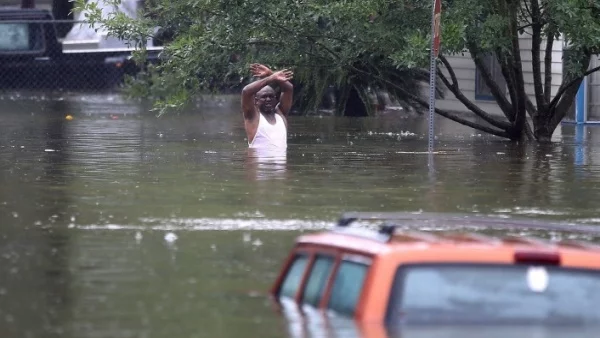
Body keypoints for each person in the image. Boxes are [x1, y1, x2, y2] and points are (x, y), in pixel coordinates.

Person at [241, 63, 294, 150]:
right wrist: (271, 78)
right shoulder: (252, 116)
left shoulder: (281, 114)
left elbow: (289, 88)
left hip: (280, 163)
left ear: (275, 99)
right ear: (256, 101)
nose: (268, 99)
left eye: (271, 96)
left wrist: (270, 73)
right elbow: (246, 91)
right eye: (264, 97)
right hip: (259, 163)